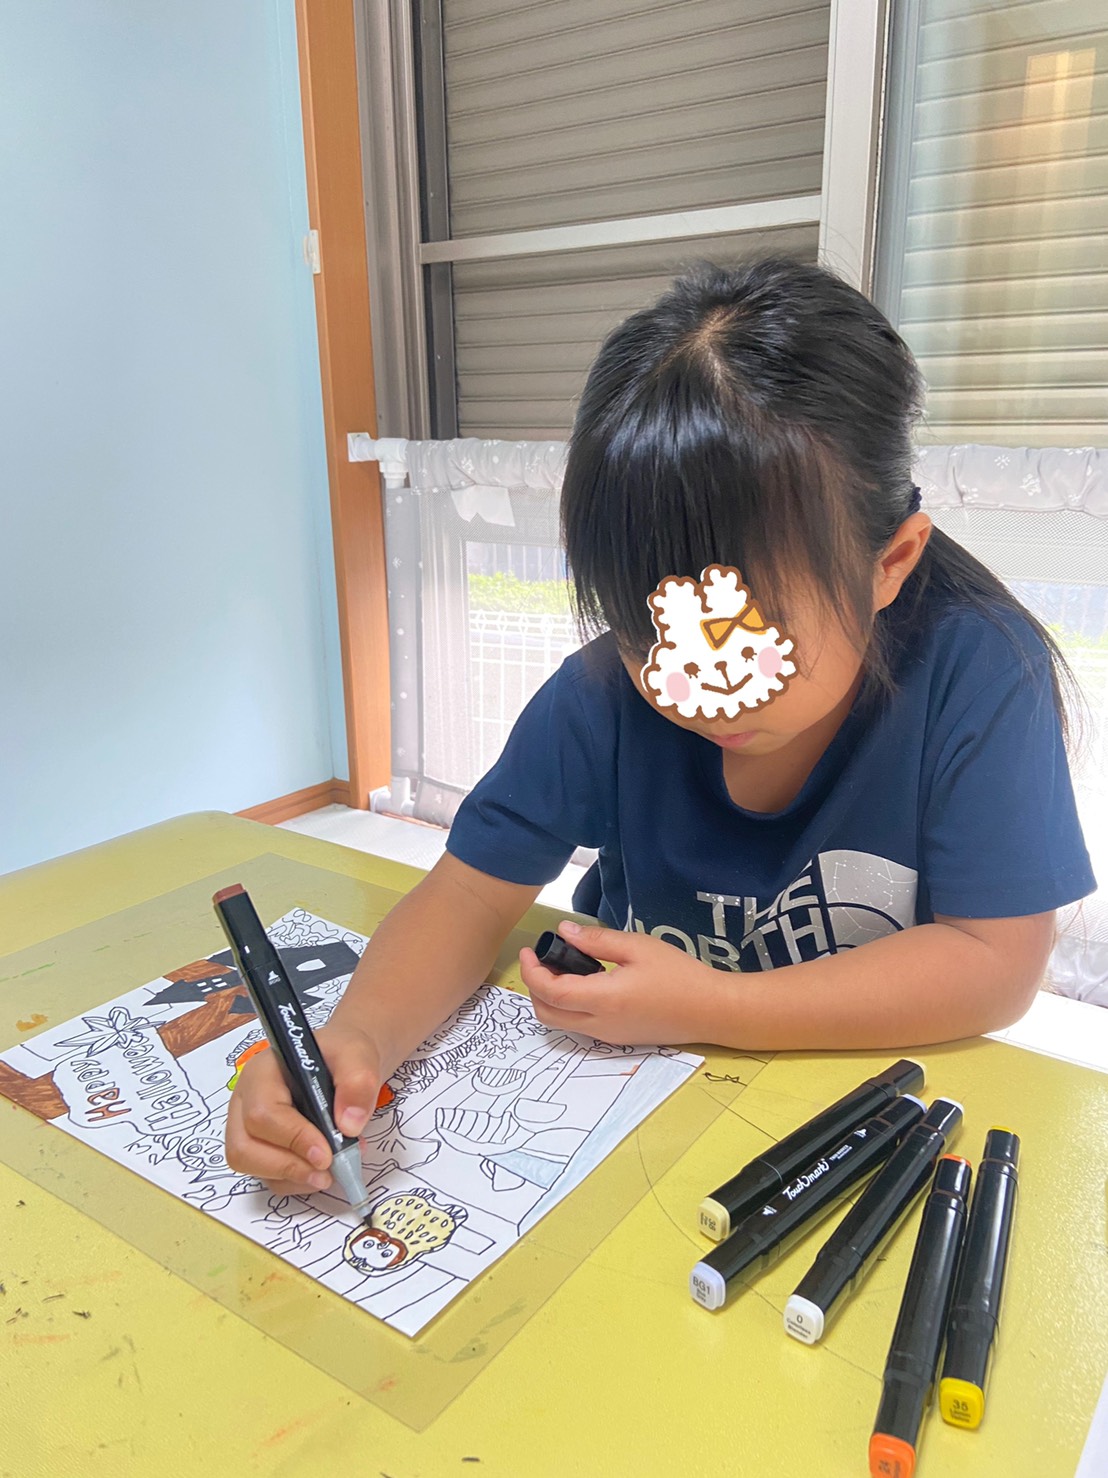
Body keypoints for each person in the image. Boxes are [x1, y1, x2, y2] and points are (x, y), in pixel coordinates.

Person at [226, 257, 1094, 1197]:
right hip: (625, 1108)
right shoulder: (605, 693)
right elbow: (470, 895)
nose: (692, 689)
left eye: (743, 638)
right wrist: (355, 1039)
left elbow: (994, 963)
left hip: (854, 1118)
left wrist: (718, 1005)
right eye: (650, 632)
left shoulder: (979, 674)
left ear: (889, 563)